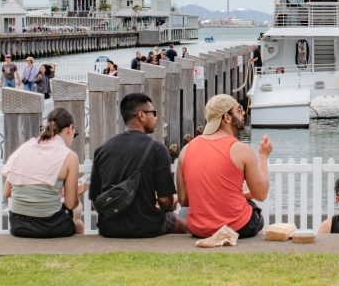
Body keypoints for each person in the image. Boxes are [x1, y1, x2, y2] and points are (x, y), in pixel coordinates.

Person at [89, 93, 188, 238]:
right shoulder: (157, 149)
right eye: (154, 113)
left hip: (109, 227)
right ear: (141, 115)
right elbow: (165, 202)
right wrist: (171, 203)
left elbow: (95, 200)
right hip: (147, 225)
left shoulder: (102, 150)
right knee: (183, 224)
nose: (156, 118)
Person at [176, 94, 271, 238]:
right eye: (239, 110)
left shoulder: (186, 150)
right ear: (227, 117)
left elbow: (183, 200)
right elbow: (261, 194)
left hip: (199, 228)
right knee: (254, 209)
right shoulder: (241, 150)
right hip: (237, 227)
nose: (244, 112)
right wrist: (263, 156)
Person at [1, 108, 83, 237]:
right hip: (49, 224)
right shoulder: (69, 156)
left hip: (18, 224)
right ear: (69, 128)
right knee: (78, 212)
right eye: (74, 132)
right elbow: (70, 203)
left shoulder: (25, 148)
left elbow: (6, 192)